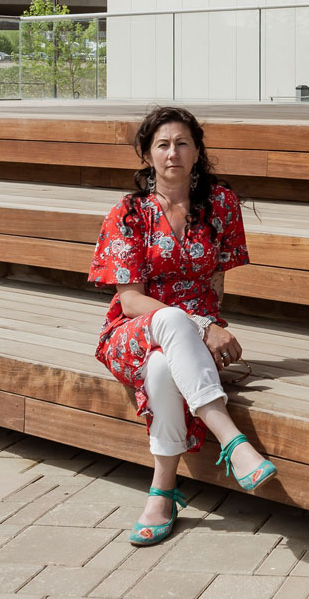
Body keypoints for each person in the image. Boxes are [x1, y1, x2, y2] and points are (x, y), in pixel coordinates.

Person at [88, 106, 276, 545]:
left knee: (162, 371)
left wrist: (207, 324)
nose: (173, 152)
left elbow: (216, 280)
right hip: (130, 334)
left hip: (189, 342)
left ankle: (162, 491)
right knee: (169, 319)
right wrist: (200, 326)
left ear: (196, 152)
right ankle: (232, 440)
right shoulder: (129, 214)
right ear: (148, 155)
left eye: (182, 143)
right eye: (163, 145)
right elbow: (131, 300)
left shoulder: (222, 205)